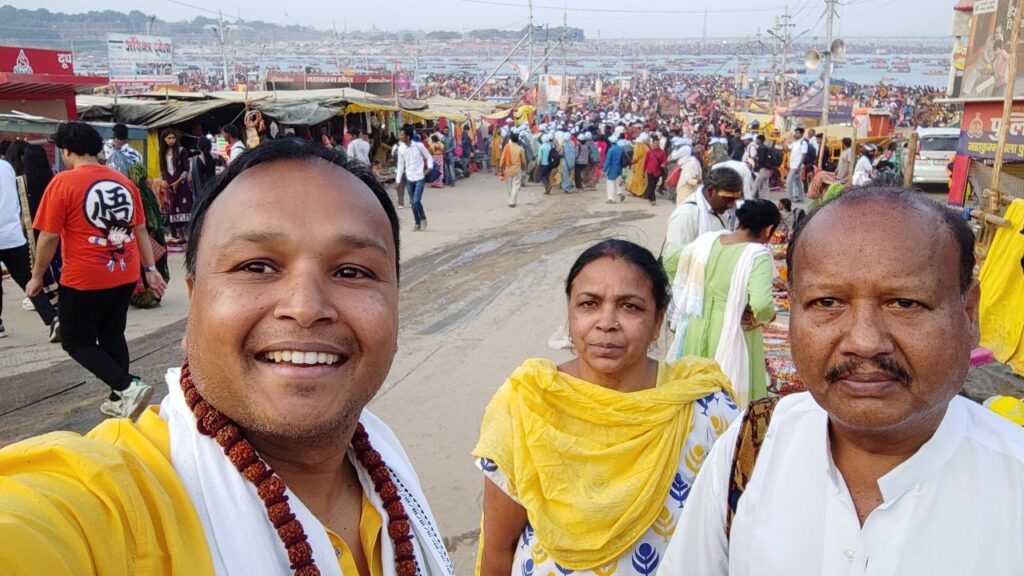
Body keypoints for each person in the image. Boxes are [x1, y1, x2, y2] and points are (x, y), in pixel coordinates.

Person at [0, 137, 456, 576]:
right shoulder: (106, 504)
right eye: (256, 267)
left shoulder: (380, 458)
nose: (305, 307)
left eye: (352, 271)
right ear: (193, 304)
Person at [659, 186, 1024, 576]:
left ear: (969, 316)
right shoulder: (751, 448)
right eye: (827, 303)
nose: (864, 342)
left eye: (904, 303)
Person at [474, 239, 739, 576]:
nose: (606, 322)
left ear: (658, 321)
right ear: (571, 314)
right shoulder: (529, 402)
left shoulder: (707, 410)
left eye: (630, 307)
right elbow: (498, 549)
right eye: (589, 304)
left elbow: (733, 539)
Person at [26, 122, 166, 417]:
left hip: (85, 277)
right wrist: (149, 268)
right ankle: (119, 399)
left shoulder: (63, 183)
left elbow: (49, 236)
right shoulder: (123, 182)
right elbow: (140, 229)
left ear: (66, 150)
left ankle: (127, 387)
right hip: (125, 272)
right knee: (112, 332)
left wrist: (37, 276)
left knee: (76, 340)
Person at [665, 199, 780, 408]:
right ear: (769, 229)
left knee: (694, 390)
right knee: (732, 394)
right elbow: (762, 304)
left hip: (695, 325)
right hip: (734, 330)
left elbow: (670, 261)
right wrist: (764, 318)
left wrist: (692, 287)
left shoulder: (706, 242)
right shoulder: (757, 256)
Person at [0, 154, 60, 341]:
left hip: (10, 233)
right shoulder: (6, 167)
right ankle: (53, 319)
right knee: (29, 280)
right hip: (12, 236)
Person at [664, 167, 743, 255]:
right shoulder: (686, 215)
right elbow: (673, 260)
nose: (731, 205)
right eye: (728, 199)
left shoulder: (723, 210)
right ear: (711, 191)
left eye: (734, 200)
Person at [395, 125, 432, 231]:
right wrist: (398, 181)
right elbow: (400, 165)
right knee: (412, 202)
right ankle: (417, 222)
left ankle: (423, 218)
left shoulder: (419, 146)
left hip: (420, 177)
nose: (400, 136)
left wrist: (429, 168)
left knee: (416, 201)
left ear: (407, 137)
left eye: (402, 135)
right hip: (409, 178)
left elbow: (428, 157)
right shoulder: (401, 149)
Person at [498, 132, 528, 208]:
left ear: (510, 139)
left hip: (507, 169)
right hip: (517, 169)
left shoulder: (506, 147)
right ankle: (512, 201)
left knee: (509, 186)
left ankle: (511, 199)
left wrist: (501, 165)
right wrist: (524, 167)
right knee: (516, 185)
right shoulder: (520, 149)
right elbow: (524, 161)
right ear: (518, 140)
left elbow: (503, 157)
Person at [643, 137, 668, 206]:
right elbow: (646, 162)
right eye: (655, 143)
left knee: (653, 185)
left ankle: (649, 197)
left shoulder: (662, 152)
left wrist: (664, 164)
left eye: (657, 143)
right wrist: (643, 170)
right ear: (653, 144)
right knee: (651, 184)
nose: (656, 144)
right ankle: (653, 200)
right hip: (649, 171)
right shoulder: (649, 152)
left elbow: (665, 161)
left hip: (657, 172)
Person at [787, 128, 808, 202]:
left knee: (789, 181)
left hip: (797, 166)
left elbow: (804, 154)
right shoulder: (795, 142)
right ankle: (801, 198)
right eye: (795, 133)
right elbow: (786, 149)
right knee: (798, 182)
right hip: (793, 165)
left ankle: (789, 199)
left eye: (797, 133)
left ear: (802, 134)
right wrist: (787, 140)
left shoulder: (803, 142)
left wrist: (799, 166)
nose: (796, 134)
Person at [603, 138, 625, 204]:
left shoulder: (611, 150)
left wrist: (604, 169)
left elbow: (608, 161)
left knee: (610, 183)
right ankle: (620, 193)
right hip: (620, 168)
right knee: (617, 182)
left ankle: (611, 199)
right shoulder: (620, 148)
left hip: (612, 168)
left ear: (610, 142)